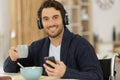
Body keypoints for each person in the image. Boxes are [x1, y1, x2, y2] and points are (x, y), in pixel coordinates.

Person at [3, 0, 103, 79]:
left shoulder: (81, 45)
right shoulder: (38, 46)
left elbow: (96, 76)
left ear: (64, 20)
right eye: (46, 19)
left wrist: (66, 73)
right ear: (40, 23)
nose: (51, 23)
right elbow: (9, 69)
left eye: (55, 17)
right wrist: (13, 58)